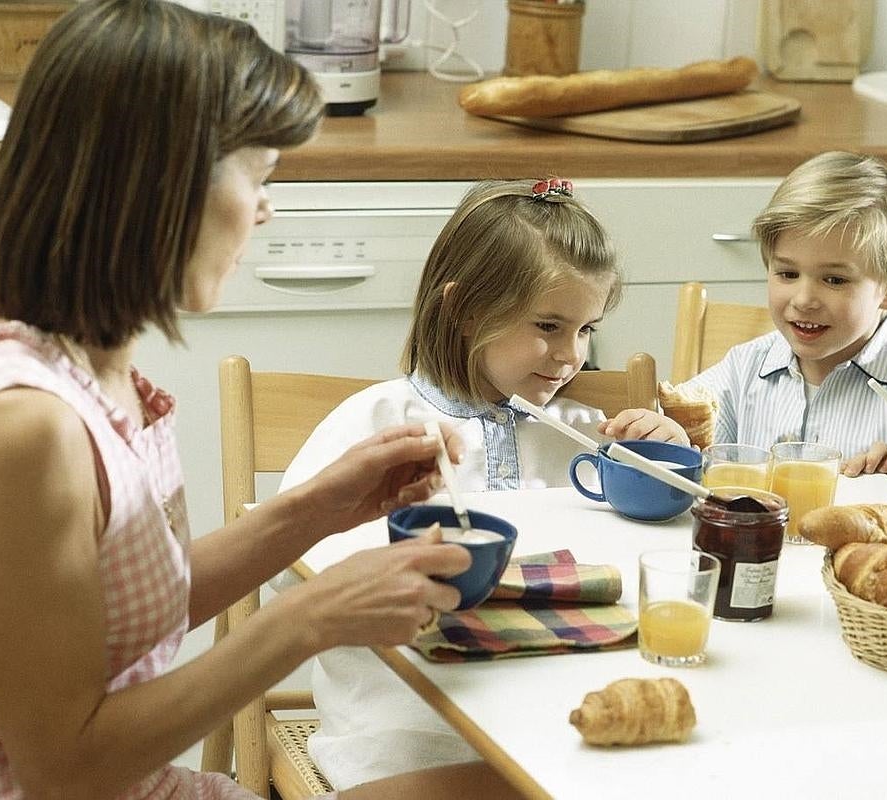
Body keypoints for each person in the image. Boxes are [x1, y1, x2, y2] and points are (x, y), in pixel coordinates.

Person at [0, 2, 521, 798]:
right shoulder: (23, 429)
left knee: (499, 785)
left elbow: (111, 609)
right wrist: (307, 617)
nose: (265, 208)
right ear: (161, 184)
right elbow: (63, 770)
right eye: (259, 173)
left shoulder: (61, 342)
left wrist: (319, 508)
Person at [275, 177, 687, 788]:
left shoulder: (584, 434)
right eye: (548, 325)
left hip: (553, 713)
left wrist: (665, 457)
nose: (571, 355)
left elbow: (662, 544)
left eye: (586, 328)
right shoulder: (377, 425)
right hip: (405, 724)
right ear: (465, 310)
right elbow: (292, 575)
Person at [676, 151, 887, 477]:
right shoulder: (743, 368)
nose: (805, 299)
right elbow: (678, 438)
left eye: (835, 280)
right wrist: (663, 432)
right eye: (787, 273)